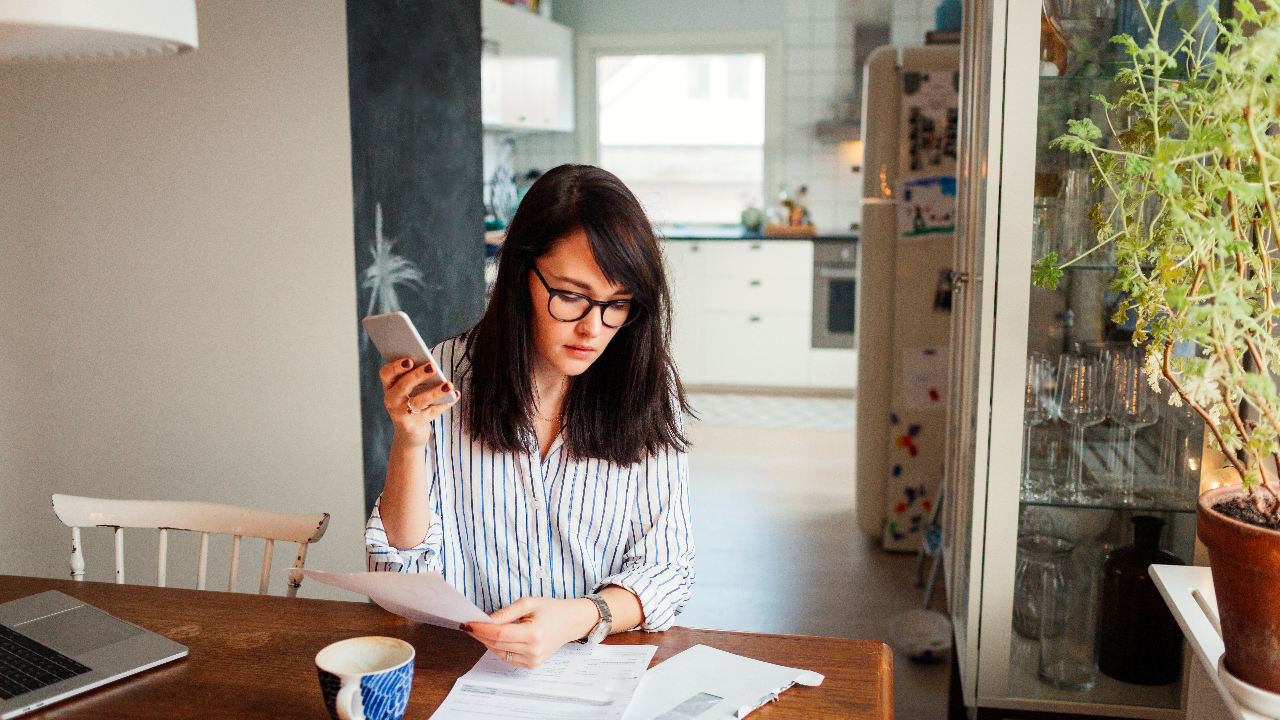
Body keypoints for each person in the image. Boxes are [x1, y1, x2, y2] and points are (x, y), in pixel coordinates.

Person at [365, 164, 695, 669]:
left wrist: (580, 616)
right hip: (466, 666)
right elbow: (398, 571)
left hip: (598, 666)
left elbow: (668, 567)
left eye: (617, 304)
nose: (593, 328)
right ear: (521, 274)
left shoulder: (648, 388)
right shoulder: (451, 373)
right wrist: (409, 441)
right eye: (570, 295)